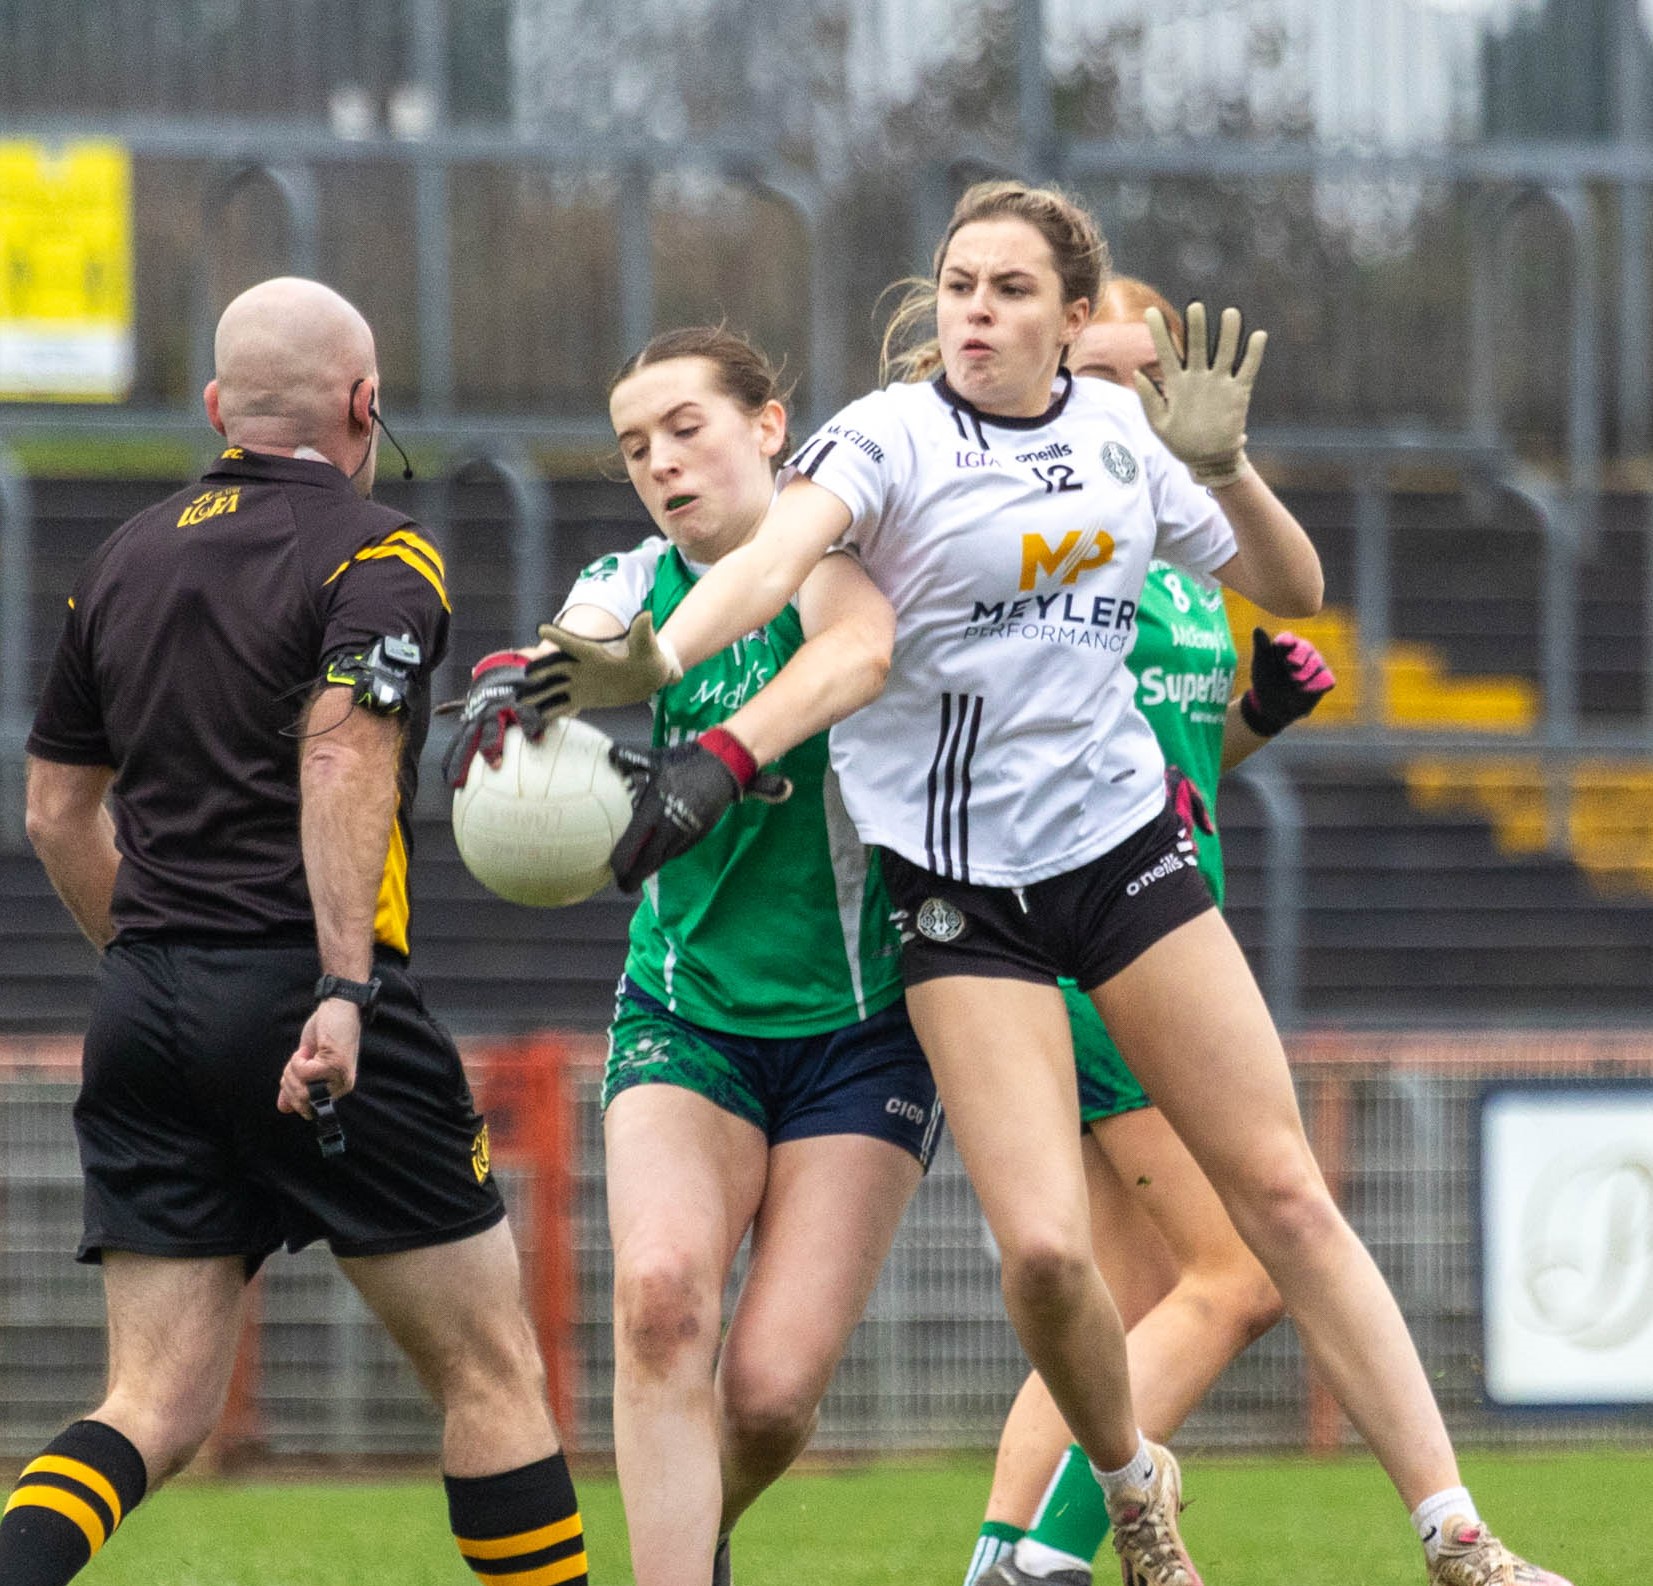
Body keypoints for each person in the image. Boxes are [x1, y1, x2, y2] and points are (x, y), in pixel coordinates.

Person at [518, 181, 1574, 1586]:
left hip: (1120, 856)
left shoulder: (1118, 440)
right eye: (958, 284)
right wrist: (655, 667)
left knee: (1284, 1195)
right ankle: (1127, 1485)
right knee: (1049, 1264)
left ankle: (1458, 1535)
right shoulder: (885, 437)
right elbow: (775, 566)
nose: (974, 310)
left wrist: (1229, 465)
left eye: (1010, 290)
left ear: (1075, 321)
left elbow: (1296, 582)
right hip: (958, 901)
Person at [6, 277, 587, 1586]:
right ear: (365, 404)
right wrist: (336, 984)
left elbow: (54, 814)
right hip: (317, 1001)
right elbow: (344, 757)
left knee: (149, 1404)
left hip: (145, 1002)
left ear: (217, 410)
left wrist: (154, 966)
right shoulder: (382, 553)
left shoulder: (120, 560)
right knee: (490, 1370)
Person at [446, 325, 940, 1586]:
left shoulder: (838, 561)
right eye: (633, 446)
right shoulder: (636, 581)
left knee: (769, 1396)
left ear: (770, 425)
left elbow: (859, 651)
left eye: (686, 428)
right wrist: (517, 681)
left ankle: (695, 1523)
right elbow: (580, 634)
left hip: (865, 1027)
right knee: (662, 1299)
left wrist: (728, 756)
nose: (660, 463)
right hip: (688, 1013)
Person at [966, 279, 1333, 1586]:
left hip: (1168, 937)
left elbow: (1170, 773)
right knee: (1241, 1280)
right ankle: (1051, 1554)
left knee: (1117, 1319)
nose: (1132, 398)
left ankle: (1003, 1562)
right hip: (1097, 957)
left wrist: (1253, 720)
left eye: (1149, 374)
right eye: (1105, 372)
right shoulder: (1064, 550)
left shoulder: (1180, 566)